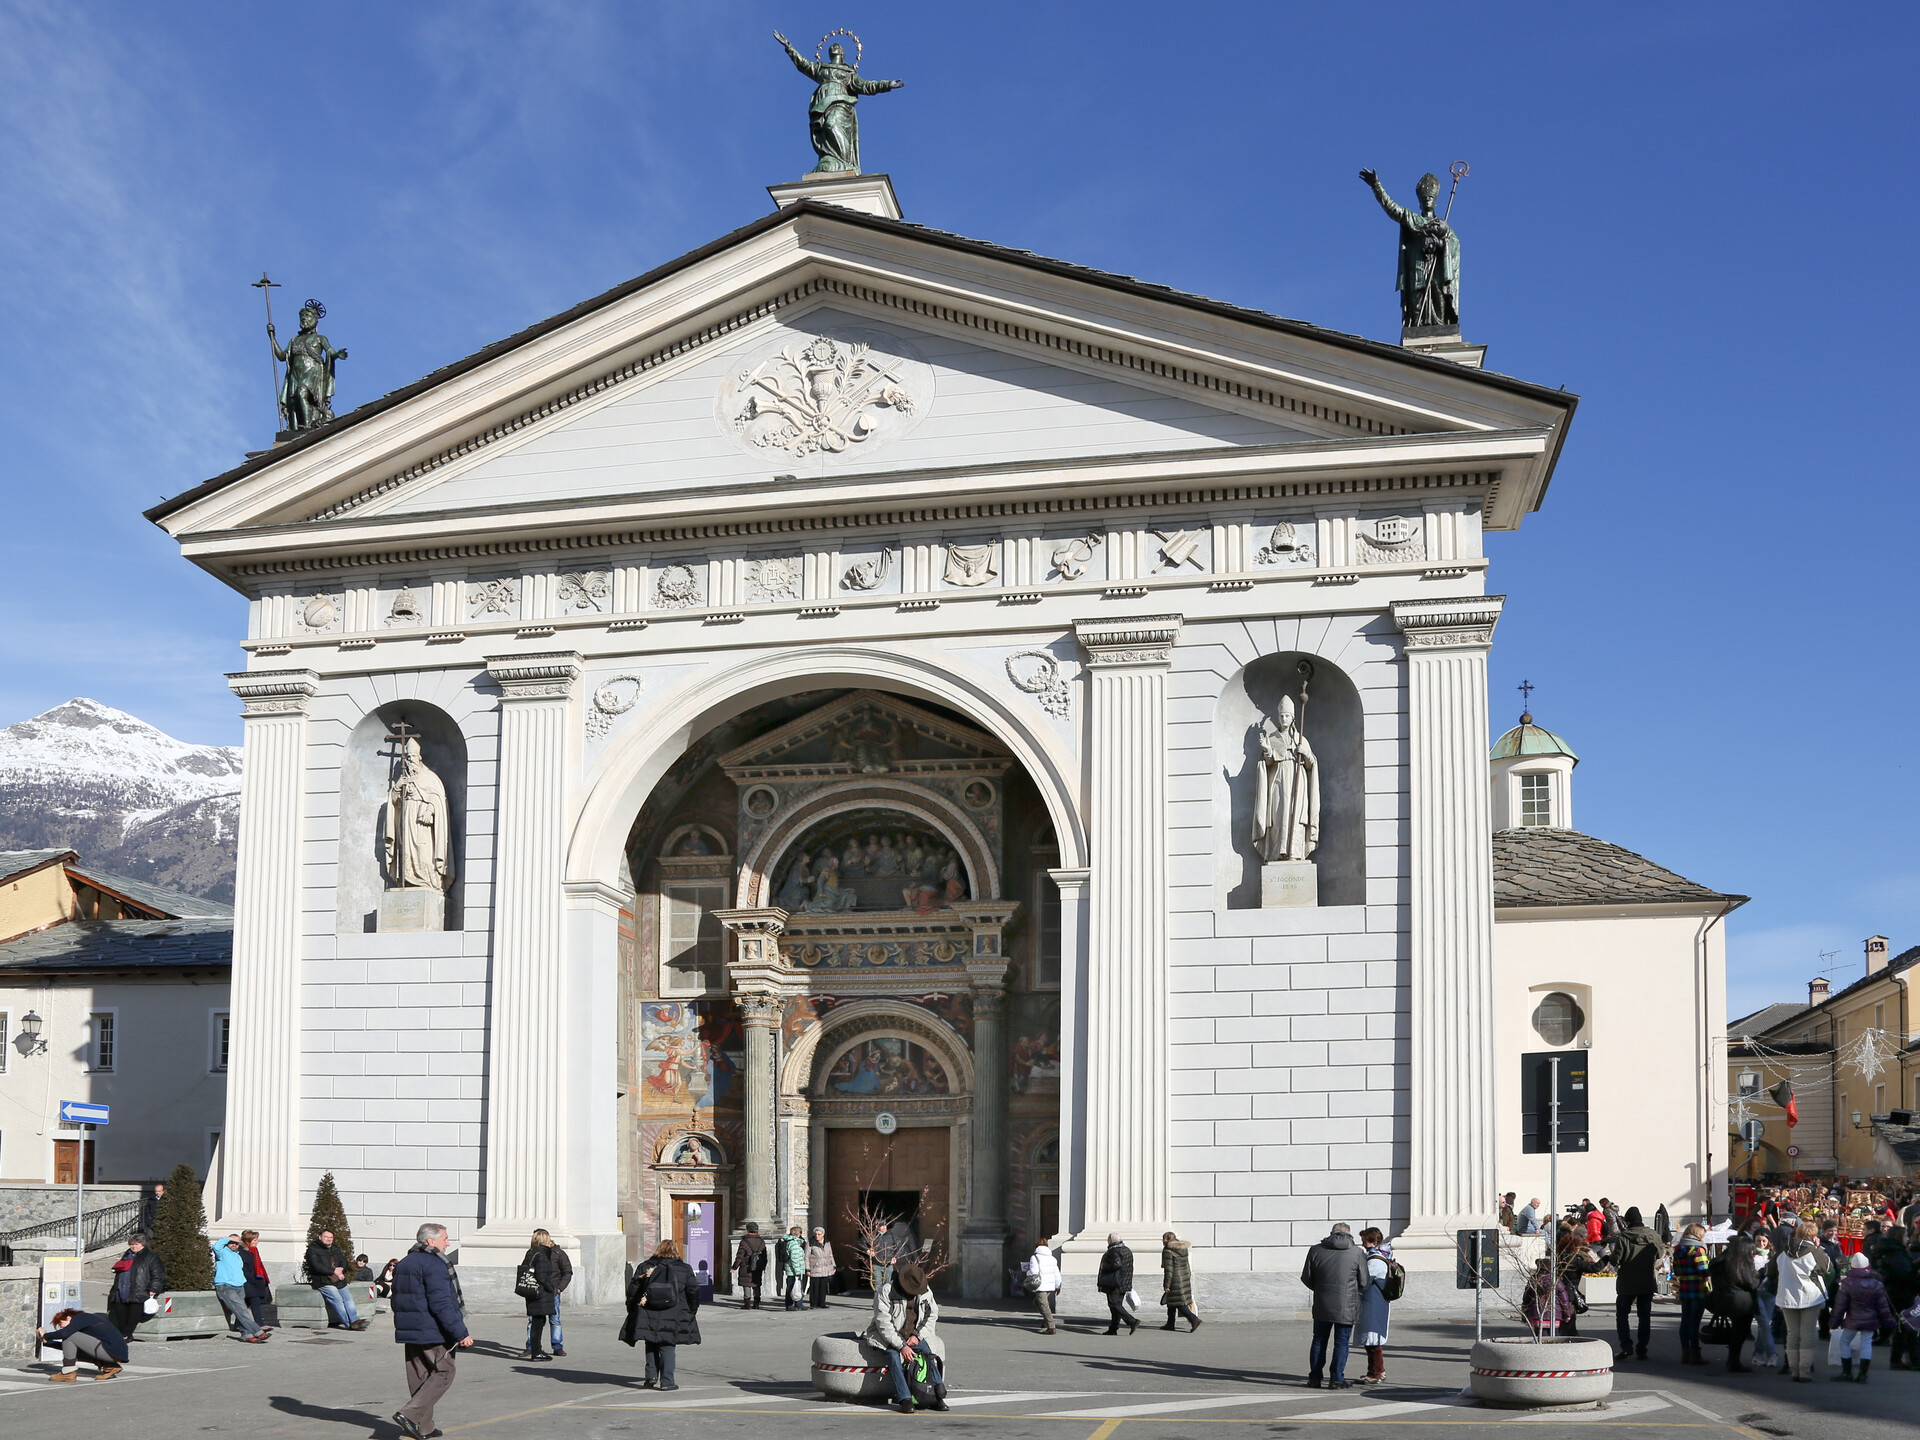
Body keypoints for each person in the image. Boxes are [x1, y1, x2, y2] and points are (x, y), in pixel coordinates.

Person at [390, 1222, 472, 1440]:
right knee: (445, 1372)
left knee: (420, 1377)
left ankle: (424, 1427)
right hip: (432, 1330)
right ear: (430, 1241)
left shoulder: (405, 1262)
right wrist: (460, 1333)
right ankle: (408, 1414)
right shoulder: (434, 1264)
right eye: (445, 1238)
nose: (448, 1242)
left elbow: (395, 1299)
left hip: (410, 1329)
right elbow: (442, 1303)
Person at [867, 1260, 947, 1415]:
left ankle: (937, 1394)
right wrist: (901, 1346)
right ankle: (905, 1398)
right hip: (888, 1336)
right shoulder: (886, 1291)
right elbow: (884, 1323)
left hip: (913, 1335)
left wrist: (917, 1336)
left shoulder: (925, 1291)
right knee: (893, 1357)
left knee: (928, 1355)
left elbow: (932, 1315)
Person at [621, 1238, 702, 1391]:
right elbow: (693, 1291)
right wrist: (692, 1309)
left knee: (650, 1342)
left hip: (648, 1311)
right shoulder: (684, 1269)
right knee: (668, 1344)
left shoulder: (645, 1267)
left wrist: (631, 1308)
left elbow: (633, 1289)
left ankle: (651, 1376)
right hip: (674, 1312)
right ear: (675, 1251)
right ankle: (667, 1381)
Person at [1300, 1222, 1368, 1388]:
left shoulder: (1316, 1250)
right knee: (1341, 1342)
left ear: (1332, 1234)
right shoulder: (1357, 1253)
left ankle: (1315, 1378)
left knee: (1319, 1341)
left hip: (1322, 1303)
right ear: (1349, 1235)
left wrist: (1321, 1289)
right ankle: (1336, 1379)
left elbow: (1306, 1277)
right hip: (1347, 1304)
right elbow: (1364, 1281)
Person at [1766, 1219, 1833, 1382]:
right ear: (1813, 1236)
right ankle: (1804, 1370)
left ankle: (1793, 1369)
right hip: (1811, 1296)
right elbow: (1829, 1271)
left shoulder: (1782, 1252)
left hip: (1787, 1295)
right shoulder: (1816, 1252)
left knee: (1792, 1333)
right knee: (1808, 1333)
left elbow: (1770, 1272)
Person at [1829, 1251, 1895, 1382]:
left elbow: (1840, 1306)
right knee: (1866, 1344)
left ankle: (1846, 1372)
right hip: (1871, 1320)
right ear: (1868, 1267)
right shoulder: (1877, 1284)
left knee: (1844, 1342)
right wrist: (1890, 1322)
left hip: (1852, 1319)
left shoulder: (1847, 1283)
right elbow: (1883, 1307)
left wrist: (1834, 1322)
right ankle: (1862, 1374)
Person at [1613, 1207, 1661, 1362]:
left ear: (1627, 1221)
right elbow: (1660, 1254)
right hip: (1647, 1281)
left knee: (1622, 1316)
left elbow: (1616, 1259)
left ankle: (1626, 1346)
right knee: (1644, 1317)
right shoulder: (1653, 1235)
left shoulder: (1623, 1237)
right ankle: (1642, 1349)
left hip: (1627, 1282)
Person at [517, 1228, 573, 1360]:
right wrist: (550, 1288)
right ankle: (533, 1349)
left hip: (546, 1292)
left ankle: (556, 1346)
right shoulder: (540, 1254)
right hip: (542, 1292)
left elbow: (567, 1271)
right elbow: (541, 1276)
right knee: (536, 1321)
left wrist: (558, 1289)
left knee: (552, 1320)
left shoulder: (556, 1253)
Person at [1709, 1233, 1760, 1372]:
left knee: (1736, 1331)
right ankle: (1733, 1360)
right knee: (1740, 1331)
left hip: (1720, 1300)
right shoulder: (1741, 1264)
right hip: (1741, 1303)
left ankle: (1732, 1358)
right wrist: (1760, 1275)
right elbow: (1752, 1284)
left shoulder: (1719, 1262)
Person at [38, 1308, 127, 1382]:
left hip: (110, 1350)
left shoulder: (80, 1317)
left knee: (68, 1334)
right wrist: (47, 1342)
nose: (61, 1328)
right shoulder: (85, 1323)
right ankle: (110, 1366)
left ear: (69, 1317)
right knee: (71, 1342)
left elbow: (65, 1334)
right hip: (114, 1352)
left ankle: (68, 1372)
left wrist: (46, 1335)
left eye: (60, 1324)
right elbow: (69, 1349)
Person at [106, 1232, 165, 1340]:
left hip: (139, 1290)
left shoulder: (150, 1257)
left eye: (136, 1244)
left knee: (134, 1315)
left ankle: (126, 1335)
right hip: (122, 1289)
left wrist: (153, 1288)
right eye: (132, 1244)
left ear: (143, 1244)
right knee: (120, 1313)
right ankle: (124, 1334)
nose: (133, 1246)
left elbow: (158, 1274)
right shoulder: (127, 1255)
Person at [212, 1235, 270, 1343]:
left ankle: (246, 1334)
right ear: (227, 1242)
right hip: (226, 1287)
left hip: (239, 1286)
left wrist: (242, 1282)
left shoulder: (237, 1255)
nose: (234, 1244)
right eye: (232, 1242)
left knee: (242, 1312)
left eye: (237, 1243)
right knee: (242, 1311)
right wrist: (228, 1239)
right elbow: (216, 1246)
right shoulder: (222, 1252)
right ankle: (258, 1332)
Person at [307, 1228, 369, 1331]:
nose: (329, 1239)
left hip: (339, 1279)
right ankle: (348, 1323)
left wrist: (341, 1269)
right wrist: (333, 1271)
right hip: (323, 1280)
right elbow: (316, 1266)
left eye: (331, 1237)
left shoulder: (335, 1248)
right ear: (320, 1237)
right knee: (337, 1299)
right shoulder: (313, 1249)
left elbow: (344, 1261)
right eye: (326, 1237)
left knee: (348, 1297)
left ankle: (355, 1321)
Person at [1670, 1223, 1712, 1365]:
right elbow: (1703, 1271)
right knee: (1695, 1322)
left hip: (1685, 1288)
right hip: (1698, 1288)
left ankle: (1685, 1353)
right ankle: (1695, 1354)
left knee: (1685, 1321)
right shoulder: (1698, 1249)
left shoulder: (1678, 1249)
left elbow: (1676, 1271)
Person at [1356, 1229, 1393, 1384]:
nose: (1363, 1243)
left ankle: (1375, 1373)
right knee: (1371, 1340)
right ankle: (1378, 1370)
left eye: (1365, 1240)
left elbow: (1364, 1282)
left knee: (1373, 1340)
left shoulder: (1375, 1261)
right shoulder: (1377, 1257)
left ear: (1374, 1241)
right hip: (1374, 1302)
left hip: (1373, 1303)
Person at [1522, 1257, 1576, 1336]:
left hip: (1537, 1315)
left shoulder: (1533, 1279)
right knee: (1555, 1336)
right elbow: (1564, 1300)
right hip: (1554, 1314)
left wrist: (1525, 1312)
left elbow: (1527, 1298)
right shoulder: (1555, 1281)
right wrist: (1567, 1314)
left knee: (1540, 1337)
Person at [1750, 1233, 1781, 1370]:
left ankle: (1757, 1354)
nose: (1761, 1244)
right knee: (1765, 1325)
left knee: (1765, 1326)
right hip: (1756, 1292)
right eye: (1758, 1241)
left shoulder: (1772, 1256)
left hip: (1769, 1292)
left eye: (1764, 1241)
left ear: (1768, 1242)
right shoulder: (1750, 1255)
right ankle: (1772, 1354)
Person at [1097, 1233, 1138, 1336]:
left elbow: (1116, 1264)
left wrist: (1104, 1266)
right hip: (1124, 1282)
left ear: (1111, 1240)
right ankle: (1113, 1328)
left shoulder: (1114, 1251)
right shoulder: (1126, 1249)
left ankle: (1132, 1321)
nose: (1107, 1241)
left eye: (1108, 1239)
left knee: (1113, 1304)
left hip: (1114, 1282)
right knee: (1116, 1305)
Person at [1161, 1230, 1201, 1333]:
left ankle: (1194, 1320)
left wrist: (1166, 1284)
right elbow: (1187, 1265)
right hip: (1184, 1277)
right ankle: (1170, 1323)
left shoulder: (1168, 1250)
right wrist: (1187, 1277)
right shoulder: (1182, 1248)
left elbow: (1169, 1270)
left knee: (1179, 1303)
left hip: (1175, 1279)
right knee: (1172, 1301)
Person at [1024, 1240, 1062, 1335]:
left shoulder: (1035, 1257)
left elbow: (1034, 1272)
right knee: (1037, 1302)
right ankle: (1046, 1319)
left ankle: (1051, 1326)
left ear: (1036, 1247)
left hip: (1041, 1285)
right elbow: (1056, 1273)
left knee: (1043, 1305)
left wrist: (1026, 1272)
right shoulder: (1052, 1258)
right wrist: (1058, 1286)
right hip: (1050, 1285)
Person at [240, 1229, 273, 1328]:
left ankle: (239, 1324)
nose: (257, 1242)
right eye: (254, 1240)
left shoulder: (254, 1251)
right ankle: (259, 1323)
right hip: (249, 1281)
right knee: (254, 1301)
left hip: (256, 1280)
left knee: (246, 1303)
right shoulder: (244, 1252)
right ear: (247, 1242)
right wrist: (252, 1278)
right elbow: (246, 1268)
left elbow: (259, 1266)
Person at [734, 1222, 769, 1308]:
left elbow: (740, 1256)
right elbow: (764, 1256)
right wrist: (763, 1266)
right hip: (758, 1266)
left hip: (746, 1266)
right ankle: (756, 1304)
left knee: (747, 1284)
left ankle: (747, 1304)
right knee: (756, 1283)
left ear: (747, 1230)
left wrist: (734, 1267)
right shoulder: (761, 1241)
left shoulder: (744, 1241)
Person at [806, 1228, 838, 1309]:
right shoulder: (810, 1243)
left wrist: (833, 1265)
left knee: (823, 1286)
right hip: (815, 1267)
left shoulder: (827, 1243)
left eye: (819, 1234)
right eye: (815, 1234)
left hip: (825, 1267)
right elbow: (806, 1257)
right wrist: (807, 1268)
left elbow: (830, 1255)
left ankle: (822, 1303)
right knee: (814, 1287)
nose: (817, 1236)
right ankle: (813, 1304)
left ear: (823, 1234)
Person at [780, 1226, 808, 1311]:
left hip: (792, 1269)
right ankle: (791, 1305)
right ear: (799, 1234)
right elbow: (795, 1258)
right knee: (792, 1287)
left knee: (796, 1287)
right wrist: (797, 1271)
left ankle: (798, 1303)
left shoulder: (793, 1242)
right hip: (793, 1270)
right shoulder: (794, 1243)